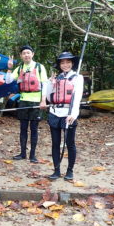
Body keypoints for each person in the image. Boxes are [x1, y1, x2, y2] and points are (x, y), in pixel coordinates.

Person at [46, 51, 84, 181]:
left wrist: (73, 114)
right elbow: (48, 97)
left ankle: (70, 170)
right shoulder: (56, 77)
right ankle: (56, 170)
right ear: (59, 64)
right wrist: (50, 84)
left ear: (72, 63)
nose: (65, 64)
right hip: (55, 113)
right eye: (62, 62)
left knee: (70, 143)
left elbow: (77, 97)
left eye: (68, 62)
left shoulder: (77, 78)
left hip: (69, 114)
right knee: (55, 143)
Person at [6, 45, 48, 163]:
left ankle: (32, 155)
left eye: (28, 53)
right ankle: (23, 153)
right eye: (24, 53)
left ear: (32, 54)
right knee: (23, 128)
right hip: (23, 101)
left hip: (36, 101)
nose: (26, 55)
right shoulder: (19, 68)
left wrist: (43, 100)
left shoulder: (39, 67)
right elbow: (8, 80)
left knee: (34, 129)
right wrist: (9, 68)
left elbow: (45, 84)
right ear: (21, 56)